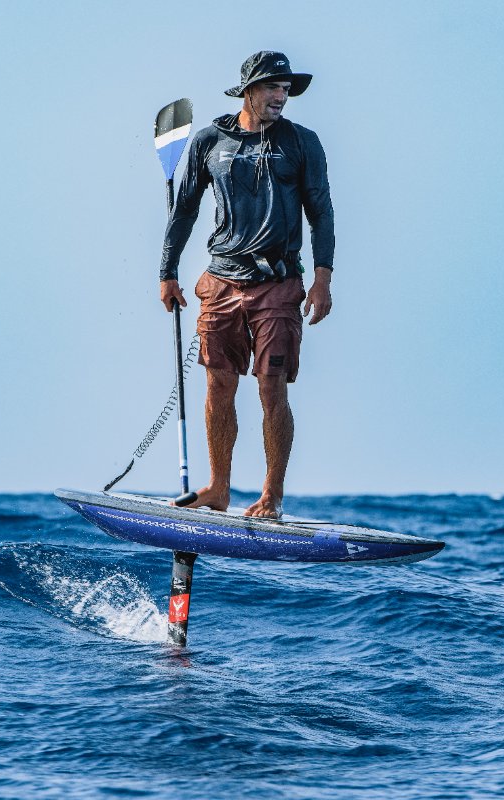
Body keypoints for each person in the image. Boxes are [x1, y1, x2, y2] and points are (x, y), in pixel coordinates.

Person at [159, 50, 334, 518]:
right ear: (249, 90)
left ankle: (271, 495)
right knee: (219, 385)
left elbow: (321, 213)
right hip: (220, 281)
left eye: (286, 89)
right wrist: (168, 272)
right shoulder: (208, 142)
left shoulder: (302, 143)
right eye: (274, 87)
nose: (282, 96)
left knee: (271, 386)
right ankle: (218, 487)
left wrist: (322, 279)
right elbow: (185, 211)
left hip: (279, 284)